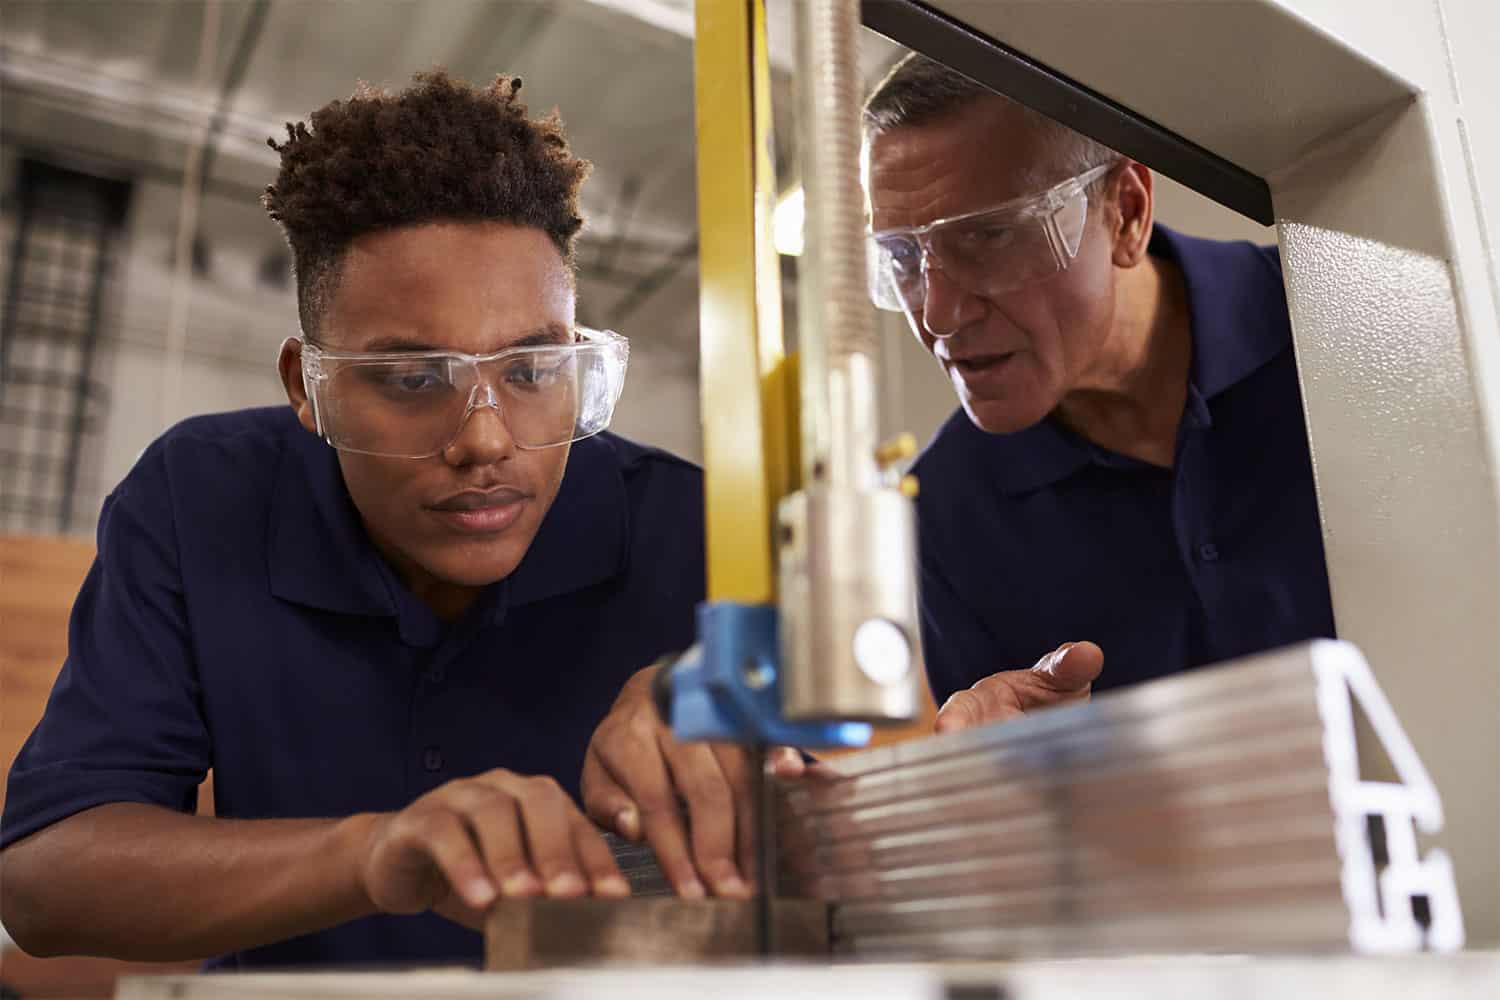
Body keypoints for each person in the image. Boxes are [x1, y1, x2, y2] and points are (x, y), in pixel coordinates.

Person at [0, 71, 721, 969]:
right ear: (308, 386)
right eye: (416, 380)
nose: (485, 441)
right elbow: (43, 880)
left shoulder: (694, 529)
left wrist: (726, 697)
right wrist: (372, 853)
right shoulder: (201, 499)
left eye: (534, 370)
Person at [860, 54, 1336, 732]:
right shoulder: (949, 512)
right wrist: (1001, 773)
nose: (937, 315)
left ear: (1126, 212)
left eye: (989, 235)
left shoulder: (1341, 338)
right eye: (903, 258)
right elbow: (1042, 819)